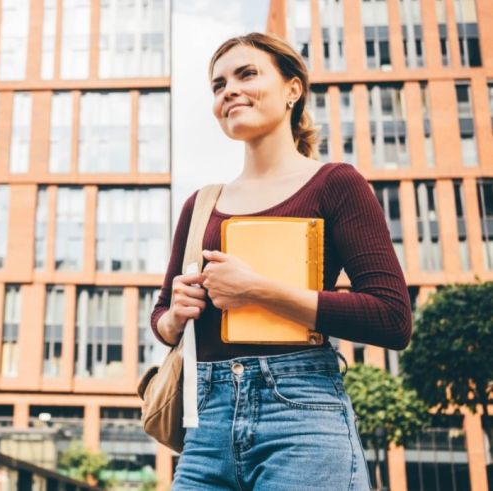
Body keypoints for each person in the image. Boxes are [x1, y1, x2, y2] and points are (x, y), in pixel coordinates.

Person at [151, 32, 412, 490]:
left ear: (293, 89)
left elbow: (392, 318)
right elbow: (160, 318)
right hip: (206, 424)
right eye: (218, 84)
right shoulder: (201, 204)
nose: (228, 90)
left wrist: (256, 290)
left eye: (246, 74)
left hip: (303, 416)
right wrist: (173, 317)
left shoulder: (335, 184)